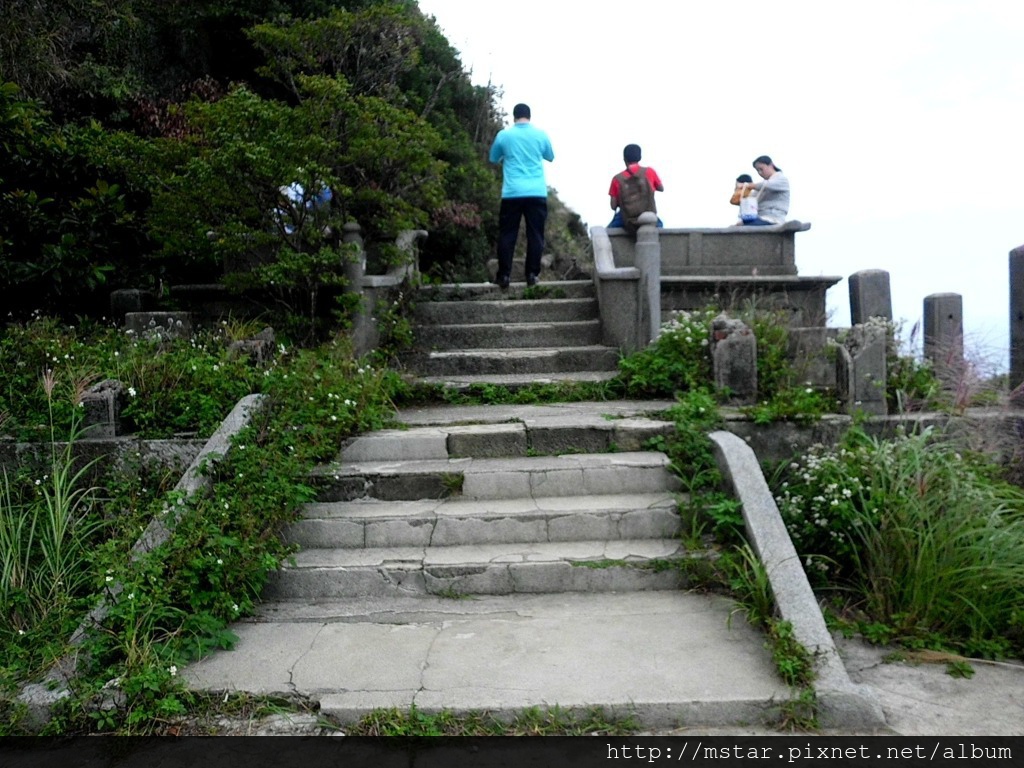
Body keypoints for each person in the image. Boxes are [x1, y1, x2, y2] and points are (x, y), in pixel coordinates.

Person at [488, 103, 555, 288]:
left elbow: (493, 158)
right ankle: (532, 275)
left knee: (508, 234)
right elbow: (550, 156)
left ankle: (504, 276)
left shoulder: (504, 135)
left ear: (514, 116)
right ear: (529, 116)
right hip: (536, 192)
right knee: (536, 235)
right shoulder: (541, 135)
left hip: (512, 192)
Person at [608, 144, 664, 229]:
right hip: (648, 213)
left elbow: (613, 206)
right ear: (640, 157)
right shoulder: (649, 172)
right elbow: (661, 188)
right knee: (660, 227)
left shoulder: (617, 179)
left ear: (624, 159)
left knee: (609, 231)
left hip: (626, 218)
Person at [739, 155, 789, 226]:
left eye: (761, 169)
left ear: (771, 165)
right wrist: (741, 192)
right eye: (757, 170)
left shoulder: (781, 179)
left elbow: (767, 185)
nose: (759, 172)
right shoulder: (761, 186)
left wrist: (749, 185)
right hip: (759, 218)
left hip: (773, 218)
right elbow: (750, 200)